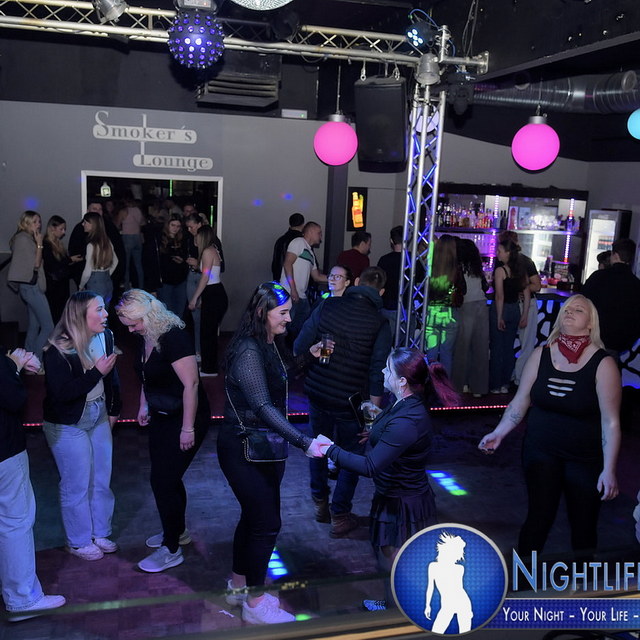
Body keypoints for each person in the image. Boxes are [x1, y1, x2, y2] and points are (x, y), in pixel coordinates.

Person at [479, 294, 620, 562]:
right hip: (540, 451)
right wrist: (499, 432)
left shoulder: (603, 363)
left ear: (591, 323)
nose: (569, 312)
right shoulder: (541, 354)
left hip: (584, 458)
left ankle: (583, 583)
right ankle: (522, 581)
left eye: (578, 310)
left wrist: (609, 469)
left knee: (583, 526)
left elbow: (610, 421)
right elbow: (520, 400)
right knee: (538, 518)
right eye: (566, 309)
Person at [219, 282, 326, 625]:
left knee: (254, 519)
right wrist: (304, 441)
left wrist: (309, 356)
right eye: (283, 313)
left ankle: (238, 588)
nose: (289, 319)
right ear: (262, 312)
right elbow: (263, 406)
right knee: (266, 524)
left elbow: (280, 375)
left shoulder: (267, 342)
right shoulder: (248, 350)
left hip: (262, 447)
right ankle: (254, 603)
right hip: (244, 448)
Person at [321, 348, 441, 610]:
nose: (383, 371)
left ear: (402, 381)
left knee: (398, 563)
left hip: (403, 502)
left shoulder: (409, 419)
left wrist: (329, 450)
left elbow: (370, 466)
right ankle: (392, 604)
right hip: (392, 495)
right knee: (388, 557)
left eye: (388, 368)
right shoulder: (401, 402)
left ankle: (402, 613)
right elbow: (387, 428)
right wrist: (375, 432)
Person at [116, 289, 210, 573]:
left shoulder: (173, 337)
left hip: (185, 416)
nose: (131, 330)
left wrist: (187, 429)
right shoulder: (146, 335)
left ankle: (171, 549)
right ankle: (177, 531)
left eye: (134, 324)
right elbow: (147, 375)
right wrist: (144, 404)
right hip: (161, 413)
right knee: (165, 477)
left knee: (163, 481)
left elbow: (191, 385)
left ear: (149, 315)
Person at [295, 266, 392, 537]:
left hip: (319, 392)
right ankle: (339, 514)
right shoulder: (380, 322)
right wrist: (372, 419)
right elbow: (377, 372)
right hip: (353, 402)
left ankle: (319, 502)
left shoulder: (328, 306)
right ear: (381, 291)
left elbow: (300, 345)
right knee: (351, 455)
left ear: (356, 281)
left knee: (318, 446)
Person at [42, 291, 121, 561]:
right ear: (80, 315)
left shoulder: (106, 336)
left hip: (99, 413)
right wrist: (97, 372)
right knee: (76, 483)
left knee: (101, 478)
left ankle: (100, 532)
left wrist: (114, 409)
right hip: (67, 421)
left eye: (104, 308)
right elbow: (62, 394)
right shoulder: (57, 349)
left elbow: (113, 379)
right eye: (98, 309)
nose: (106, 314)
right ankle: (78, 541)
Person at [0, 345, 66, 621]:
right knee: (15, 521)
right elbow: (13, 399)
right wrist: (12, 366)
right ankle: (22, 598)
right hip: (4, 451)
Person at [582, 238, 640, 361]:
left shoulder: (598, 277)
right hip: (619, 344)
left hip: (593, 338)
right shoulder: (636, 284)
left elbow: (582, 303)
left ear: (615, 255)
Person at [7, 211, 54, 361]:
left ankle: (27, 358)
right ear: (26, 223)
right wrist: (39, 244)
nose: (38, 225)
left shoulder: (26, 238)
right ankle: (36, 360)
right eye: (34, 221)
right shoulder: (23, 239)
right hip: (31, 288)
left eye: (39, 221)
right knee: (49, 326)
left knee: (34, 325)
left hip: (29, 287)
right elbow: (36, 264)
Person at [499, 231, 542, 387]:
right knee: (526, 345)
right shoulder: (525, 261)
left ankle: (514, 378)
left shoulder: (511, 263)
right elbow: (537, 285)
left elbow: (537, 286)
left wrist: (518, 288)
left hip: (516, 305)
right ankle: (519, 378)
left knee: (511, 344)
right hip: (521, 305)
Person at [489, 238, 529, 394]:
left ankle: (495, 385)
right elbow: (526, 294)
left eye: (499, 251)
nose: (497, 253)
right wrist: (524, 314)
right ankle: (505, 383)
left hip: (502, 309)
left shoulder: (500, 271)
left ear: (507, 253)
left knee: (497, 349)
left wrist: (499, 317)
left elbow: (499, 296)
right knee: (508, 349)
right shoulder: (520, 271)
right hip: (515, 310)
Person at [188, 226, 228, 376]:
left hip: (213, 293)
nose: (195, 238)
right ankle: (208, 366)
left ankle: (209, 369)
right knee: (208, 332)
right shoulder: (212, 249)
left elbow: (205, 277)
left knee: (208, 333)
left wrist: (194, 299)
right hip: (215, 292)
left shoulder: (207, 251)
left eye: (197, 236)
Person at [451, 239, 489, 397]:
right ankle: (479, 388)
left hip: (465, 306)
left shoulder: (457, 267)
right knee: (481, 349)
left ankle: (460, 385)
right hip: (481, 305)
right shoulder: (477, 268)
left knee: (462, 349)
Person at [425, 235, 466, 377]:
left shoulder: (430, 267)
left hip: (432, 312)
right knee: (447, 354)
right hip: (450, 313)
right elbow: (463, 290)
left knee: (431, 353)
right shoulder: (456, 268)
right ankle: (444, 386)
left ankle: (429, 383)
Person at [280, 221, 327, 339]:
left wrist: (336, 278)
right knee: (285, 328)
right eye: (319, 233)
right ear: (310, 231)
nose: (321, 237)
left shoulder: (310, 253)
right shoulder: (299, 242)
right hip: (289, 293)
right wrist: (293, 289)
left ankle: (293, 348)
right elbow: (287, 264)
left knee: (300, 327)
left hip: (301, 296)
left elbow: (317, 277)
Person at [377, 225, 425, 333]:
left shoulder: (384, 260)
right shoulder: (414, 260)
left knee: (387, 339)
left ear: (391, 240)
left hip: (388, 306)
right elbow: (421, 283)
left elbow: (378, 283)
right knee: (407, 340)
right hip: (407, 306)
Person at [43, 215, 83, 324]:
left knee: (62, 313)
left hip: (61, 283)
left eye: (64, 229)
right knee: (56, 314)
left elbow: (61, 262)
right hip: (53, 286)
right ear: (52, 228)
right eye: (61, 229)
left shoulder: (57, 243)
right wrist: (69, 260)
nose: (64, 232)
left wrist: (70, 260)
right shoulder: (47, 244)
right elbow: (52, 265)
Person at [79, 212, 119, 304]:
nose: (83, 224)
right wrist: (107, 274)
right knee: (104, 310)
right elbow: (116, 261)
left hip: (95, 283)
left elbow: (87, 271)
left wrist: (81, 285)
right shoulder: (107, 242)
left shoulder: (91, 245)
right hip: (107, 281)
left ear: (92, 225)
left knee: (94, 310)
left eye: (85, 222)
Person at [157, 214, 188, 318]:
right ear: (168, 225)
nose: (175, 228)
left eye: (178, 226)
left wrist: (182, 261)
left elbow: (186, 257)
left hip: (180, 280)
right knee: (168, 312)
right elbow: (155, 262)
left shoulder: (182, 239)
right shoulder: (160, 240)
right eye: (173, 225)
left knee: (180, 311)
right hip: (166, 281)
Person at [121, 196, 146, 289]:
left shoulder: (124, 211)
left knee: (126, 265)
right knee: (138, 265)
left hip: (127, 237)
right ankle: (141, 286)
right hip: (137, 237)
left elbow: (117, 223)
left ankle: (126, 287)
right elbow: (143, 223)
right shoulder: (138, 210)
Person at [271, 213, 304, 281]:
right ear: (302, 224)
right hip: (295, 280)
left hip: (279, 279)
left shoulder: (280, 240)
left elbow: (275, 263)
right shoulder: (302, 241)